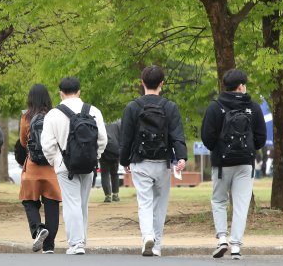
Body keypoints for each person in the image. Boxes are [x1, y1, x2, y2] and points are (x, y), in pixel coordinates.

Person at [120, 65, 187, 257]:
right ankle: (156, 245)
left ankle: (147, 235)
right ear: (162, 84)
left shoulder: (133, 107)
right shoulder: (170, 107)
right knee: (160, 203)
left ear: (142, 83)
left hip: (140, 161)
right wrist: (181, 157)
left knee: (145, 202)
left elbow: (126, 138)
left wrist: (124, 160)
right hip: (163, 162)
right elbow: (177, 135)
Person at [201, 69, 266, 260]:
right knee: (241, 204)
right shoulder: (253, 108)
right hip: (245, 164)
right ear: (241, 86)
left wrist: (218, 149)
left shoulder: (215, 106)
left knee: (219, 200)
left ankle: (222, 238)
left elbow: (207, 137)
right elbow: (261, 138)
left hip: (221, 164)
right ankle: (236, 246)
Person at [41, 77, 108, 255]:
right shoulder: (93, 111)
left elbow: (47, 145)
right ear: (79, 91)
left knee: (71, 203)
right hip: (88, 164)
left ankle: (76, 243)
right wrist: (95, 157)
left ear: (60, 93)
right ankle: (81, 240)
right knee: (82, 203)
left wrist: (55, 161)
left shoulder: (53, 115)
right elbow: (102, 140)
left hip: (64, 166)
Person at [19, 84, 62, 254]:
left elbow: (23, 142)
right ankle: (49, 246)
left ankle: (37, 229)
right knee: (51, 205)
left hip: (33, 167)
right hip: (52, 168)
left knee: (29, 201)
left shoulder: (26, 117)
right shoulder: (55, 117)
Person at [100, 120, 121, 203]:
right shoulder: (117, 123)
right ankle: (115, 195)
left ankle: (107, 196)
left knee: (104, 174)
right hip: (116, 152)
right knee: (115, 174)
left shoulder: (100, 123)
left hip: (104, 152)